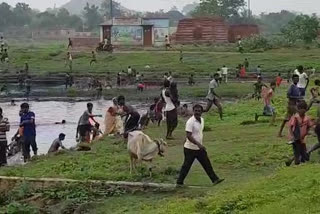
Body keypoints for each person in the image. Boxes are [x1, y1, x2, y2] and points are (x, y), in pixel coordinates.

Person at [176, 104, 224, 187]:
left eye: (199, 111)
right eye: (196, 111)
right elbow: (188, 135)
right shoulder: (190, 122)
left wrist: (199, 145)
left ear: (202, 111)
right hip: (190, 148)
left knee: (207, 163)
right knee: (186, 166)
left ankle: (215, 179)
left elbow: (197, 133)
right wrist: (198, 144)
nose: (197, 112)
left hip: (199, 148)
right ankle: (179, 182)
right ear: (193, 111)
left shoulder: (201, 120)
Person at [285, 101, 313, 166]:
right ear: (298, 109)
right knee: (297, 152)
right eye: (300, 110)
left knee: (303, 153)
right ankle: (295, 162)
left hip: (302, 138)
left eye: (304, 110)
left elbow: (309, 126)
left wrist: (307, 132)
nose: (302, 112)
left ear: (305, 110)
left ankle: (291, 160)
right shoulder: (295, 118)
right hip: (296, 138)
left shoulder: (307, 118)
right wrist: (292, 136)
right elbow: (290, 127)